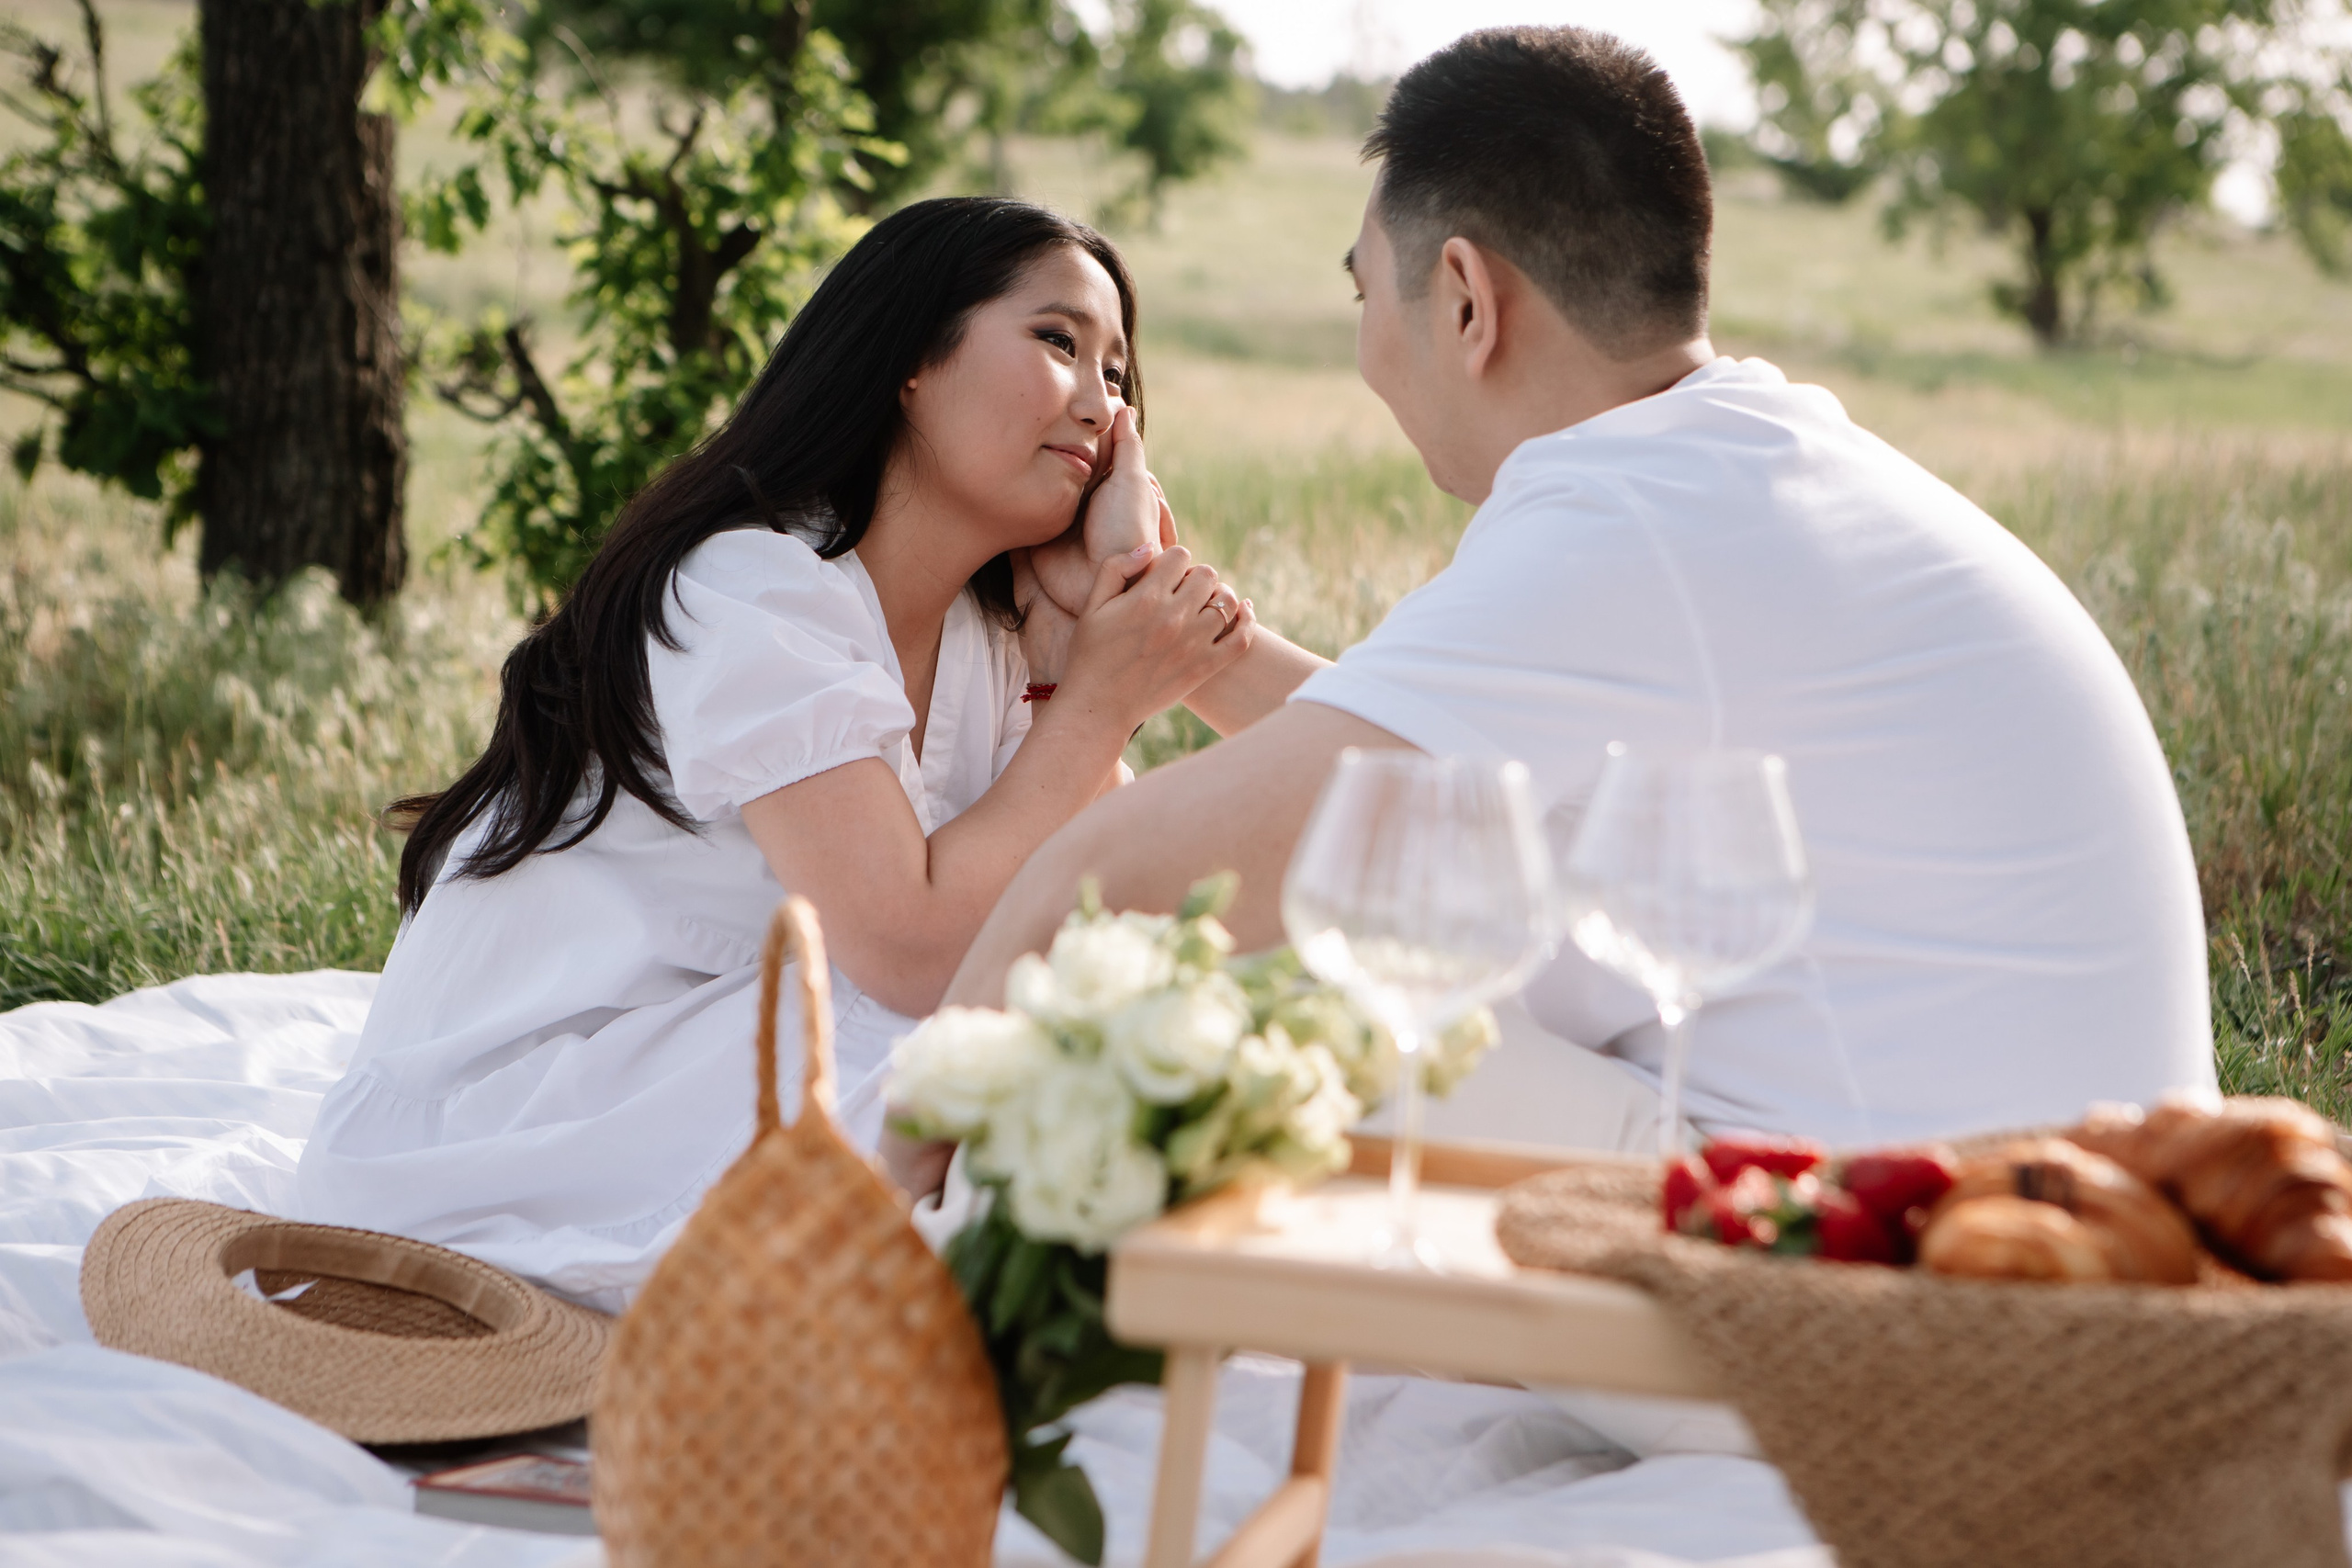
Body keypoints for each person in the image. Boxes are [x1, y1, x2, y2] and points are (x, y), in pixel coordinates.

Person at [914, 27, 2217, 1194]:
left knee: (1265, 999)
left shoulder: (1626, 529)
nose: (1372, 346)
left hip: (1886, 1295)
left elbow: (1112, 878)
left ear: (1469, 301)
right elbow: (1425, 786)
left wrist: (885, 1179)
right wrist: (1191, 641)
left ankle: (905, 1294)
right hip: (2075, 1245)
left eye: (1372, 294)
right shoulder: (1738, 467)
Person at [294, 198, 1321, 1311]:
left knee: (1144, 1023)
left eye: (1119, 375)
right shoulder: (751, 586)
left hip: (729, 1060)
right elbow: (909, 951)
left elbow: (1114, 902)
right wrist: (1100, 703)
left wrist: (1114, 607)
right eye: (1059, 341)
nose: (1100, 405)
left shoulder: (992, 638)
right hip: (522, 1120)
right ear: (909, 363)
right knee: (1000, 1051)